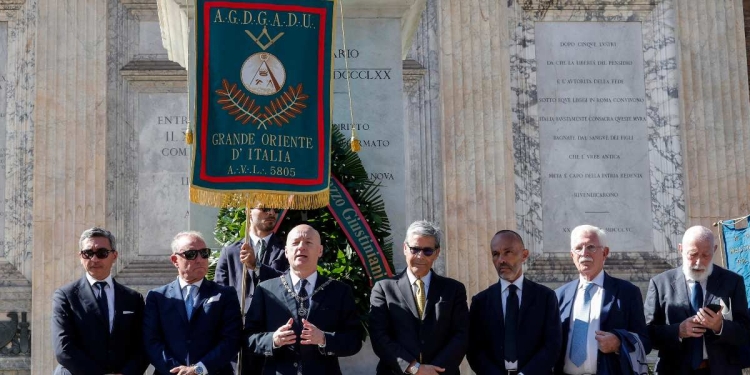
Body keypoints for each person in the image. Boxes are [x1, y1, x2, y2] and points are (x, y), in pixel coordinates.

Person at [244, 224, 363, 374]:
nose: (301, 247)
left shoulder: (339, 291)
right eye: (295, 243)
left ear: (320, 250)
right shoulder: (266, 290)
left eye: (308, 242)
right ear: (286, 252)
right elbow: (248, 338)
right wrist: (273, 340)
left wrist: (324, 339)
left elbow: (354, 340)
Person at [644, 225, 750, 374]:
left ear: (714, 250)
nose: (699, 262)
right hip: (674, 369)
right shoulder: (660, 283)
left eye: (705, 255)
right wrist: (678, 331)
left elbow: (745, 332)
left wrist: (720, 326)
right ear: (681, 249)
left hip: (722, 369)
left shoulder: (732, 282)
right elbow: (646, 334)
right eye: (692, 254)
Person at [369, 220, 469, 375]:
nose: (420, 256)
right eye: (415, 249)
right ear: (405, 248)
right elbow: (379, 336)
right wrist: (414, 368)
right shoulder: (383, 288)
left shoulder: (454, 289)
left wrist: (433, 370)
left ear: (437, 253)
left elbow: (461, 334)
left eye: (427, 251)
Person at [51, 227, 148, 375]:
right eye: (88, 253)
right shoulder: (65, 296)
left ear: (114, 256)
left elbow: (142, 345)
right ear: (80, 256)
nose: (94, 259)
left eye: (102, 253)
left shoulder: (133, 298)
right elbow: (63, 347)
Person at [555, 225, 650, 375]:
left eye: (591, 247)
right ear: (572, 255)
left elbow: (645, 341)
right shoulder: (558, 296)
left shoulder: (627, 292)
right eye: (578, 248)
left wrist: (619, 343)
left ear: (605, 252)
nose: (584, 253)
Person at [143, 231, 242, 375]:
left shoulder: (225, 294)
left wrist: (199, 369)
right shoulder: (157, 297)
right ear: (175, 260)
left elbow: (232, 339)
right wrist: (177, 371)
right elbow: (151, 342)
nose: (200, 259)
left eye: (204, 253)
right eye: (191, 254)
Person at [468, 230, 562, 374]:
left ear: (524, 255)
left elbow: (552, 346)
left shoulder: (545, 297)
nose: (501, 260)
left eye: (508, 252)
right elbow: (474, 350)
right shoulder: (481, 301)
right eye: (496, 254)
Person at [215, 205, 288, 312]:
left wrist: (257, 266)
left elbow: (289, 283)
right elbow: (219, 292)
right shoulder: (230, 252)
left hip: (272, 322)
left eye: (276, 209)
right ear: (248, 211)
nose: (272, 213)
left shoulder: (286, 250)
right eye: (265, 208)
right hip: (238, 322)